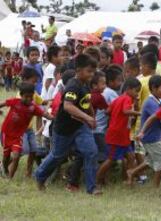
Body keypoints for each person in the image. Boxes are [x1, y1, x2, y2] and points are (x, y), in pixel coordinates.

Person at [35, 54, 101, 195]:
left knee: (91, 152)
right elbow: (68, 106)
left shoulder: (85, 84)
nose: (92, 74)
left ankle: (92, 188)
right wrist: (87, 118)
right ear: (78, 70)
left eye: (93, 71)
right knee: (57, 156)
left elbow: (86, 102)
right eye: (89, 71)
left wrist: (92, 117)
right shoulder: (73, 85)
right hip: (64, 129)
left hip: (80, 126)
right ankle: (40, 176)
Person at [0, 83, 53, 178]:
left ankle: (10, 177)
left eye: (31, 96)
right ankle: (4, 169)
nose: (29, 99)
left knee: (16, 156)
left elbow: (44, 114)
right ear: (21, 95)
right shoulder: (15, 102)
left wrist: (54, 118)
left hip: (18, 136)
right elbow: (3, 104)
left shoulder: (33, 107)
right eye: (26, 97)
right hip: (6, 133)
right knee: (6, 157)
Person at [96, 77, 141, 186]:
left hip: (122, 134)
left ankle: (129, 180)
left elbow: (107, 111)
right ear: (129, 89)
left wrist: (116, 116)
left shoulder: (119, 98)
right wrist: (138, 113)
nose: (137, 94)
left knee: (131, 157)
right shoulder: (127, 99)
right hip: (117, 135)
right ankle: (97, 180)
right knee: (111, 160)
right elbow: (125, 111)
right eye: (136, 91)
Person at [128, 75, 161, 188]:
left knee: (150, 161)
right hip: (150, 138)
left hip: (155, 136)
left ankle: (131, 172)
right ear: (153, 88)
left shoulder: (160, 100)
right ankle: (156, 186)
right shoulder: (150, 102)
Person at [19, 68, 49, 177]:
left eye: (36, 81)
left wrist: (53, 100)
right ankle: (4, 165)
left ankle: (28, 172)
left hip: (29, 129)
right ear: (25, 80)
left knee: (33, 150)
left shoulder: (34, 93)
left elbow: (42, 101)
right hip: (20, 129)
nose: (35, 83)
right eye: (33, 81)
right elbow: (30, 107)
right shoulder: (21, 95)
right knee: (23, 150)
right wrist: (39, 110)